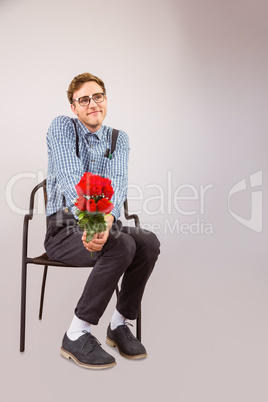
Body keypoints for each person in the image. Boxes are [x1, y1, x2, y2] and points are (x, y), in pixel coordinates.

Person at [44, 72, 160, 369]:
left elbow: (118, 184)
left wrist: (104, 221)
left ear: (105, 99)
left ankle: (119, 325)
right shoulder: (62, 127)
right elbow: (71, 178)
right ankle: (76, 332)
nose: (92, 103)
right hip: (64, 229)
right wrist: (95, 223)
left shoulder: (118, 139)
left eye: (98, 96)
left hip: (105, 222)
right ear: (74, 106)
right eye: (84, 99)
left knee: (147, 241)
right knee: (120, 244)